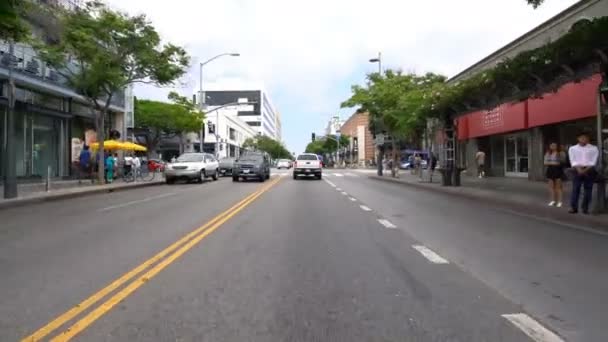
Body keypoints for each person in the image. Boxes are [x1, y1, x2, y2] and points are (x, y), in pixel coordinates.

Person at [568, 132, 599, 214]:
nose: (584, 139)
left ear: (588, 139)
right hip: (577, 169)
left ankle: (585, 208)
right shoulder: (572, 148)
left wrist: (585, 170)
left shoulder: (594, 148)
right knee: (576, 189)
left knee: (588, 190)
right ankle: (573, 207)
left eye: (586, 138)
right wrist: (579, 169)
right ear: (578, 139)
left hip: (589, 170)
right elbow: (573, 160)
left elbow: (593, 161)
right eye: (582, 138)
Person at [544, 142, 566, 207]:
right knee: (551, 187)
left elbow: (562, 162)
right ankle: (552, 200)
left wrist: (550, 162)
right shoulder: (548, 153)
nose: (553, 146)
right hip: (550, 170)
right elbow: (545, 163)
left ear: (557, 146)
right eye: (551, 145)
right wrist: (554, 162)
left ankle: (559, 201)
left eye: (554, 145)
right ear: (550, 146)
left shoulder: (561, 153)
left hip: (558, 170)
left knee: (558, 187)